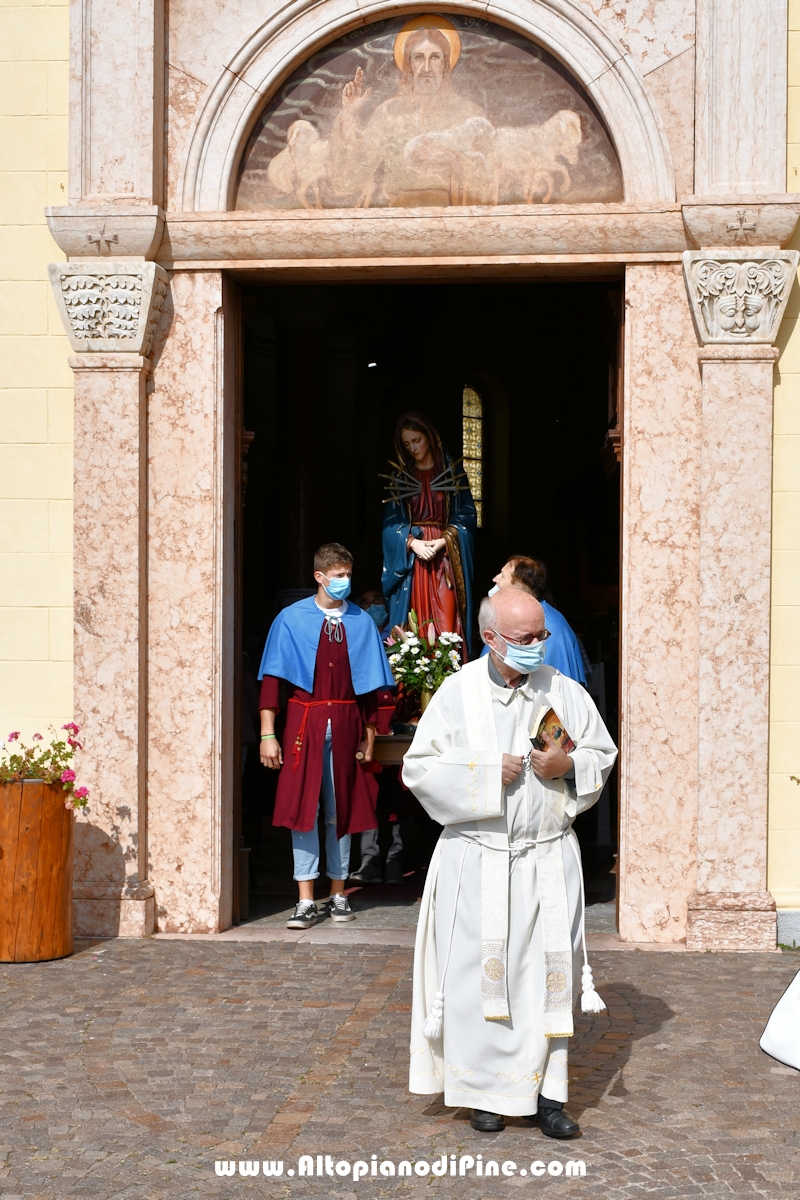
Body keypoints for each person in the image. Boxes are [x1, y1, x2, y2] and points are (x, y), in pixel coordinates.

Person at [404, 587, 617, 1136]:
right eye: (525, 639)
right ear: (490, 638)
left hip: (546, 858)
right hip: (480, 861)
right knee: (482, 978)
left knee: (550, 977)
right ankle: (484, 1094)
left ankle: (550, 1096)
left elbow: (602, 752)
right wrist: (481, 772)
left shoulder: (563, 691)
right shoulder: (456, 694)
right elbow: (419, 769)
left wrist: (565, 765)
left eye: (541, 636)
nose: (537, 647)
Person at [258, 544, 395, 930]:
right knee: (304, 810)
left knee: (342, 810)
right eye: (338, 575)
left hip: (348, 720)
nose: (344, 582)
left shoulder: (361, 621)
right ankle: (305, 898)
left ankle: (338, 892)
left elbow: (369, 685)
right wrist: (268, 733)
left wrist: (369, 735)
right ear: (319, 577)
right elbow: (273, 679)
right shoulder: (290, 619)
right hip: (305, 720)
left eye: (348, 574)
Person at [329, 18, 485, 207]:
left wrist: (451, 160)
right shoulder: (389, 113)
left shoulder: (469, 113)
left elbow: (488, 180)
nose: (426, 68)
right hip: (399, 218)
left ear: (445, 63)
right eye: (419, 57)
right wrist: (348, 115)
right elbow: (347, 181)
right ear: (409, 65)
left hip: (455, 219)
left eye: (435, 57)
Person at [382, 411, 476, 656]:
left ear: (430, 438)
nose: (412, 448)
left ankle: (446, 675)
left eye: (416, 440)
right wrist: (412, 543)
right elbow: (390, 524)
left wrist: (444, 540)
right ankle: (415, 685)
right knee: (415, 623)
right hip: (414, 563)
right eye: (406, 443)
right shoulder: (401, 478)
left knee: (446, 621)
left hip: (443, 558)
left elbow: (467, 516)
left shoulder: (454, 475)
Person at [485, 556, 586, 685]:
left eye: (503, 576)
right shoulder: (510, 615)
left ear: (519, 586)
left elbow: (551, 686)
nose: (495, 579)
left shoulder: (548, 624)